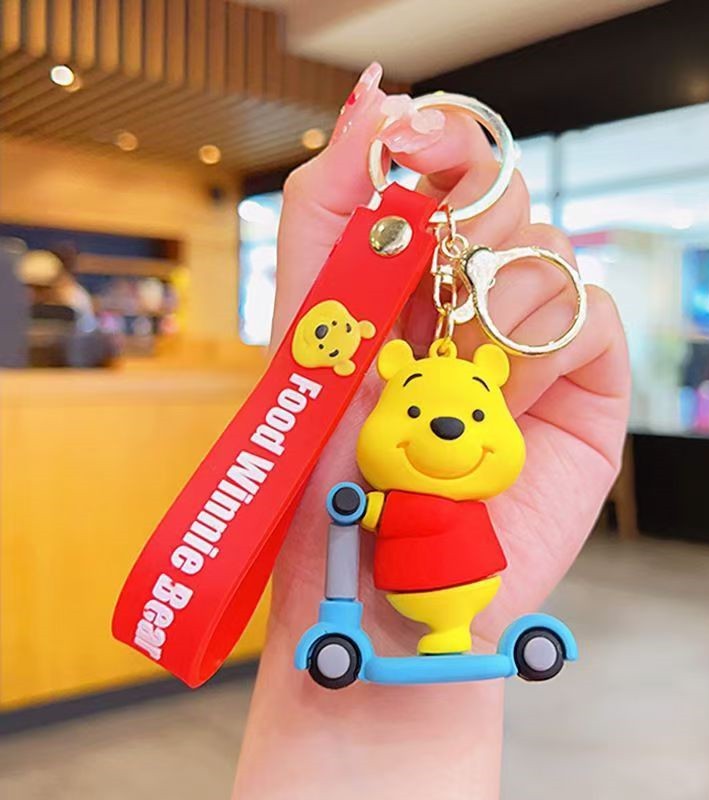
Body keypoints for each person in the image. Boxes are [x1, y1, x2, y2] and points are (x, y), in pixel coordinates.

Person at [233, 63, 630, 800]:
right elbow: (370, 511)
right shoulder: (388, 472)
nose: (447, 423)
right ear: (392, 382)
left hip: (462, 581)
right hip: (404, 590)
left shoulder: (460, 485)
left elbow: (390, 509)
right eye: (414, 411)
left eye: (475, 415)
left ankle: (447, 637)